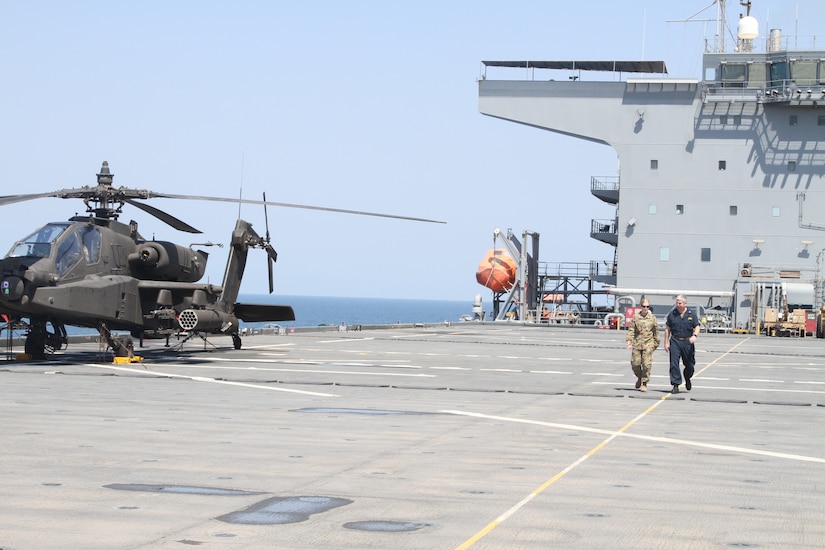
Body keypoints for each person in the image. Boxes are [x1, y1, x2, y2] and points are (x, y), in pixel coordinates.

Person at [664, 294, 701, 394]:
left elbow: (697, 326)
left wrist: (694, 336)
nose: (678, 305)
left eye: (680, 303)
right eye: (677, 303)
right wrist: (666, 342)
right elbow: (667, 329)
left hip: (687, 342)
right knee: (674, 364)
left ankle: (687, 377)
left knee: (690, 365)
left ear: (685, 304)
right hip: (675, 341)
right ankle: (675, 385)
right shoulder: (672, 314)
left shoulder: (691, 314)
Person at [626, 297, 659, 392]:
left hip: (648, 344)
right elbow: (631, 329)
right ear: (641, 307)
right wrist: (629, 340)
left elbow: (656, 332)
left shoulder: (652, 318)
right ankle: (639, 377)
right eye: (644, 306)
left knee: (646, 365)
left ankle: (644, 383)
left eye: (647, 306)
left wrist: (656, 344)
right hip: (637, 344)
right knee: (635, 364)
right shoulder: (636, 317)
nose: (646, 308)